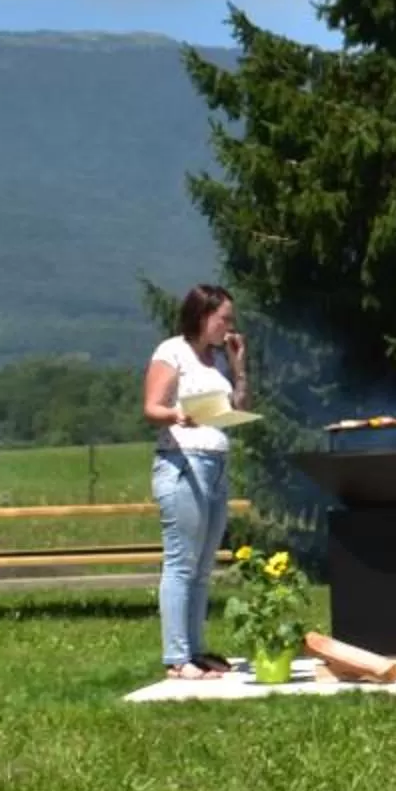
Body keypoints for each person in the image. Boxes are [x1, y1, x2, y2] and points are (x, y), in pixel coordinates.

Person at [143, 284, 246, 680]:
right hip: (183, 462)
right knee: (182, 562)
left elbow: (239, 408)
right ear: (203, 316)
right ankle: (176, 657)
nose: (229, 328)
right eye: (224, 319)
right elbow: (152, 407)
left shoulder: (216, 360)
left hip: (217, 463)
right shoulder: (173, 351)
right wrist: (178, 416)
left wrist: (238, 369)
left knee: (203, 566)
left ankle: (196, 650)